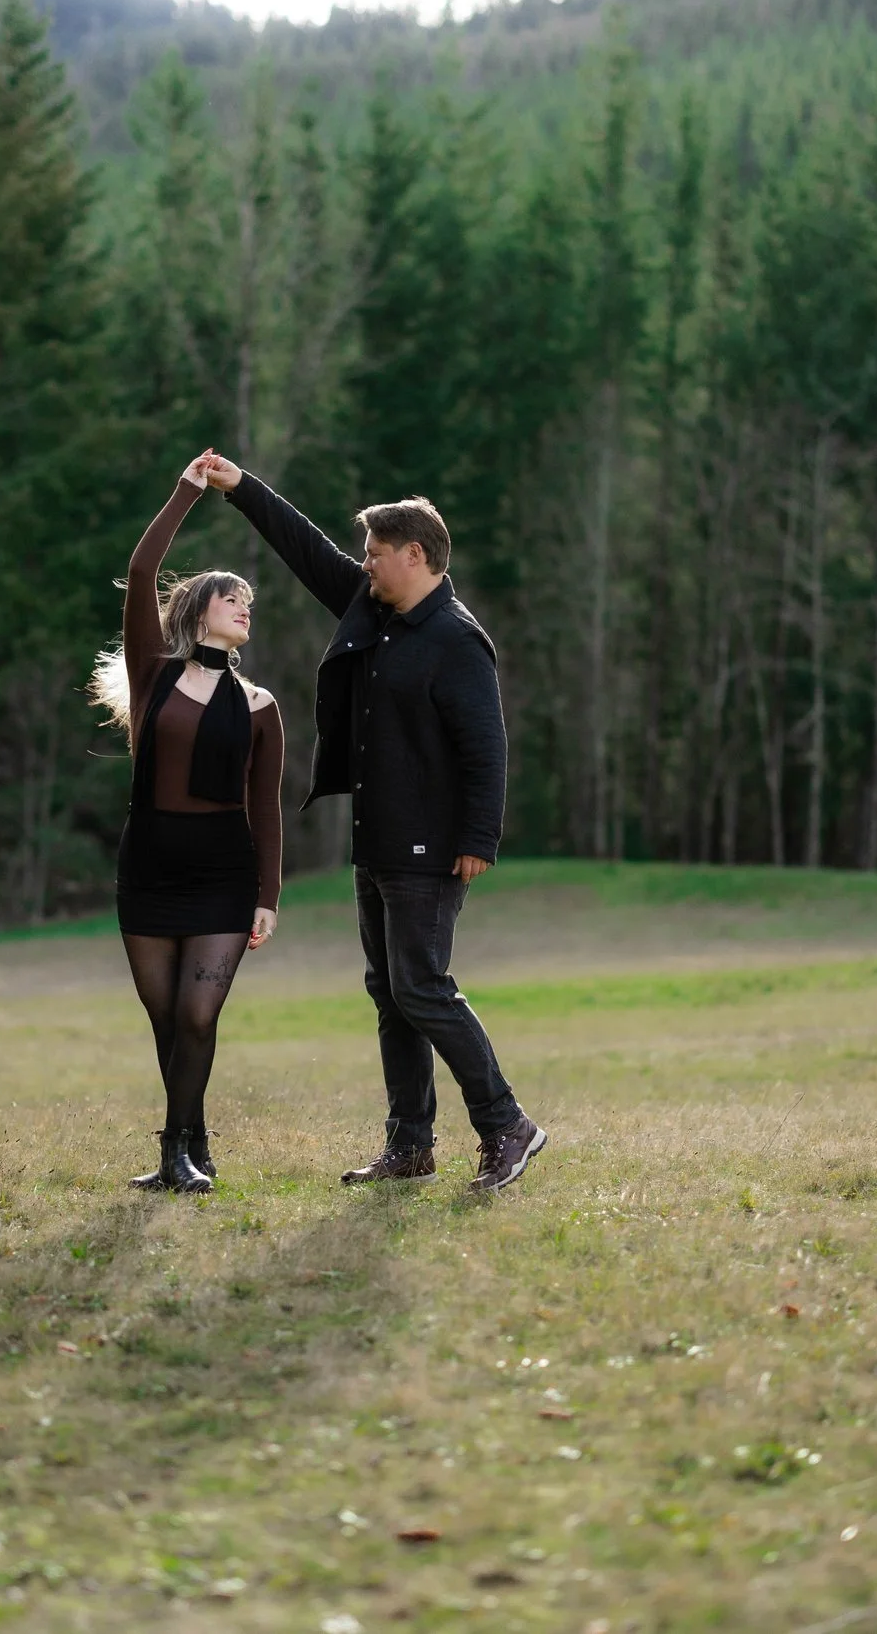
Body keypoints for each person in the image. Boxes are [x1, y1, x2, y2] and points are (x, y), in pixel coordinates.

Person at [192, 451, 546, 1194]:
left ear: (415, 555)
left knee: (422, 986)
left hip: (433, 847)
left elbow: (487, 749)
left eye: (377, 555)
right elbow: (306, 548)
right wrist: (241, 489)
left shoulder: (456, 638)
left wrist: (479, 838)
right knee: (391, 992)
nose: (366, 566)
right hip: (378, 839)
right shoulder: (375, 611)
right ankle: (410, 1146)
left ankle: (506, 1123)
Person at [88, 453, 285, 1194]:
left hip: (224, 875)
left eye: (249, 604)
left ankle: (176, 1151)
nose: (245, 609)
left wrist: (268, 894)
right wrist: (187, 492)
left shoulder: (262, 705)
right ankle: (192, 1140)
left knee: (198, 1014)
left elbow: (264, 806)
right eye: (233, 598)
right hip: (150, 866)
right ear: (200, 607)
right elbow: (142, 572)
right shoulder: (155, 673)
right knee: (167, 1018)